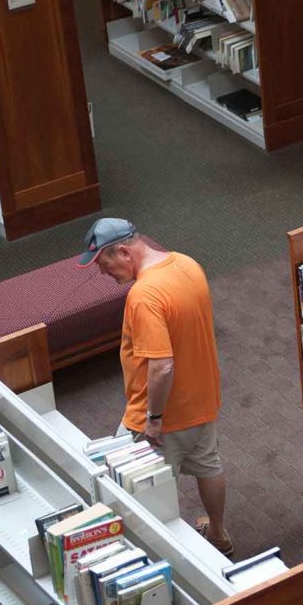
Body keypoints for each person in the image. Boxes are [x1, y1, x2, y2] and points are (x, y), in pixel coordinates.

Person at [78, 218, 233, 556]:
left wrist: (154, 418)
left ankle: (156, 555)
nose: (103, 273)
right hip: (202, 401)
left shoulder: (144, 295)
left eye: (103, 264)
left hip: (160, 417)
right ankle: (219, 535)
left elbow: (161, 365)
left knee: (127, 484)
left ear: (123, 251)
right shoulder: (186, 263)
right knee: (208, 466)